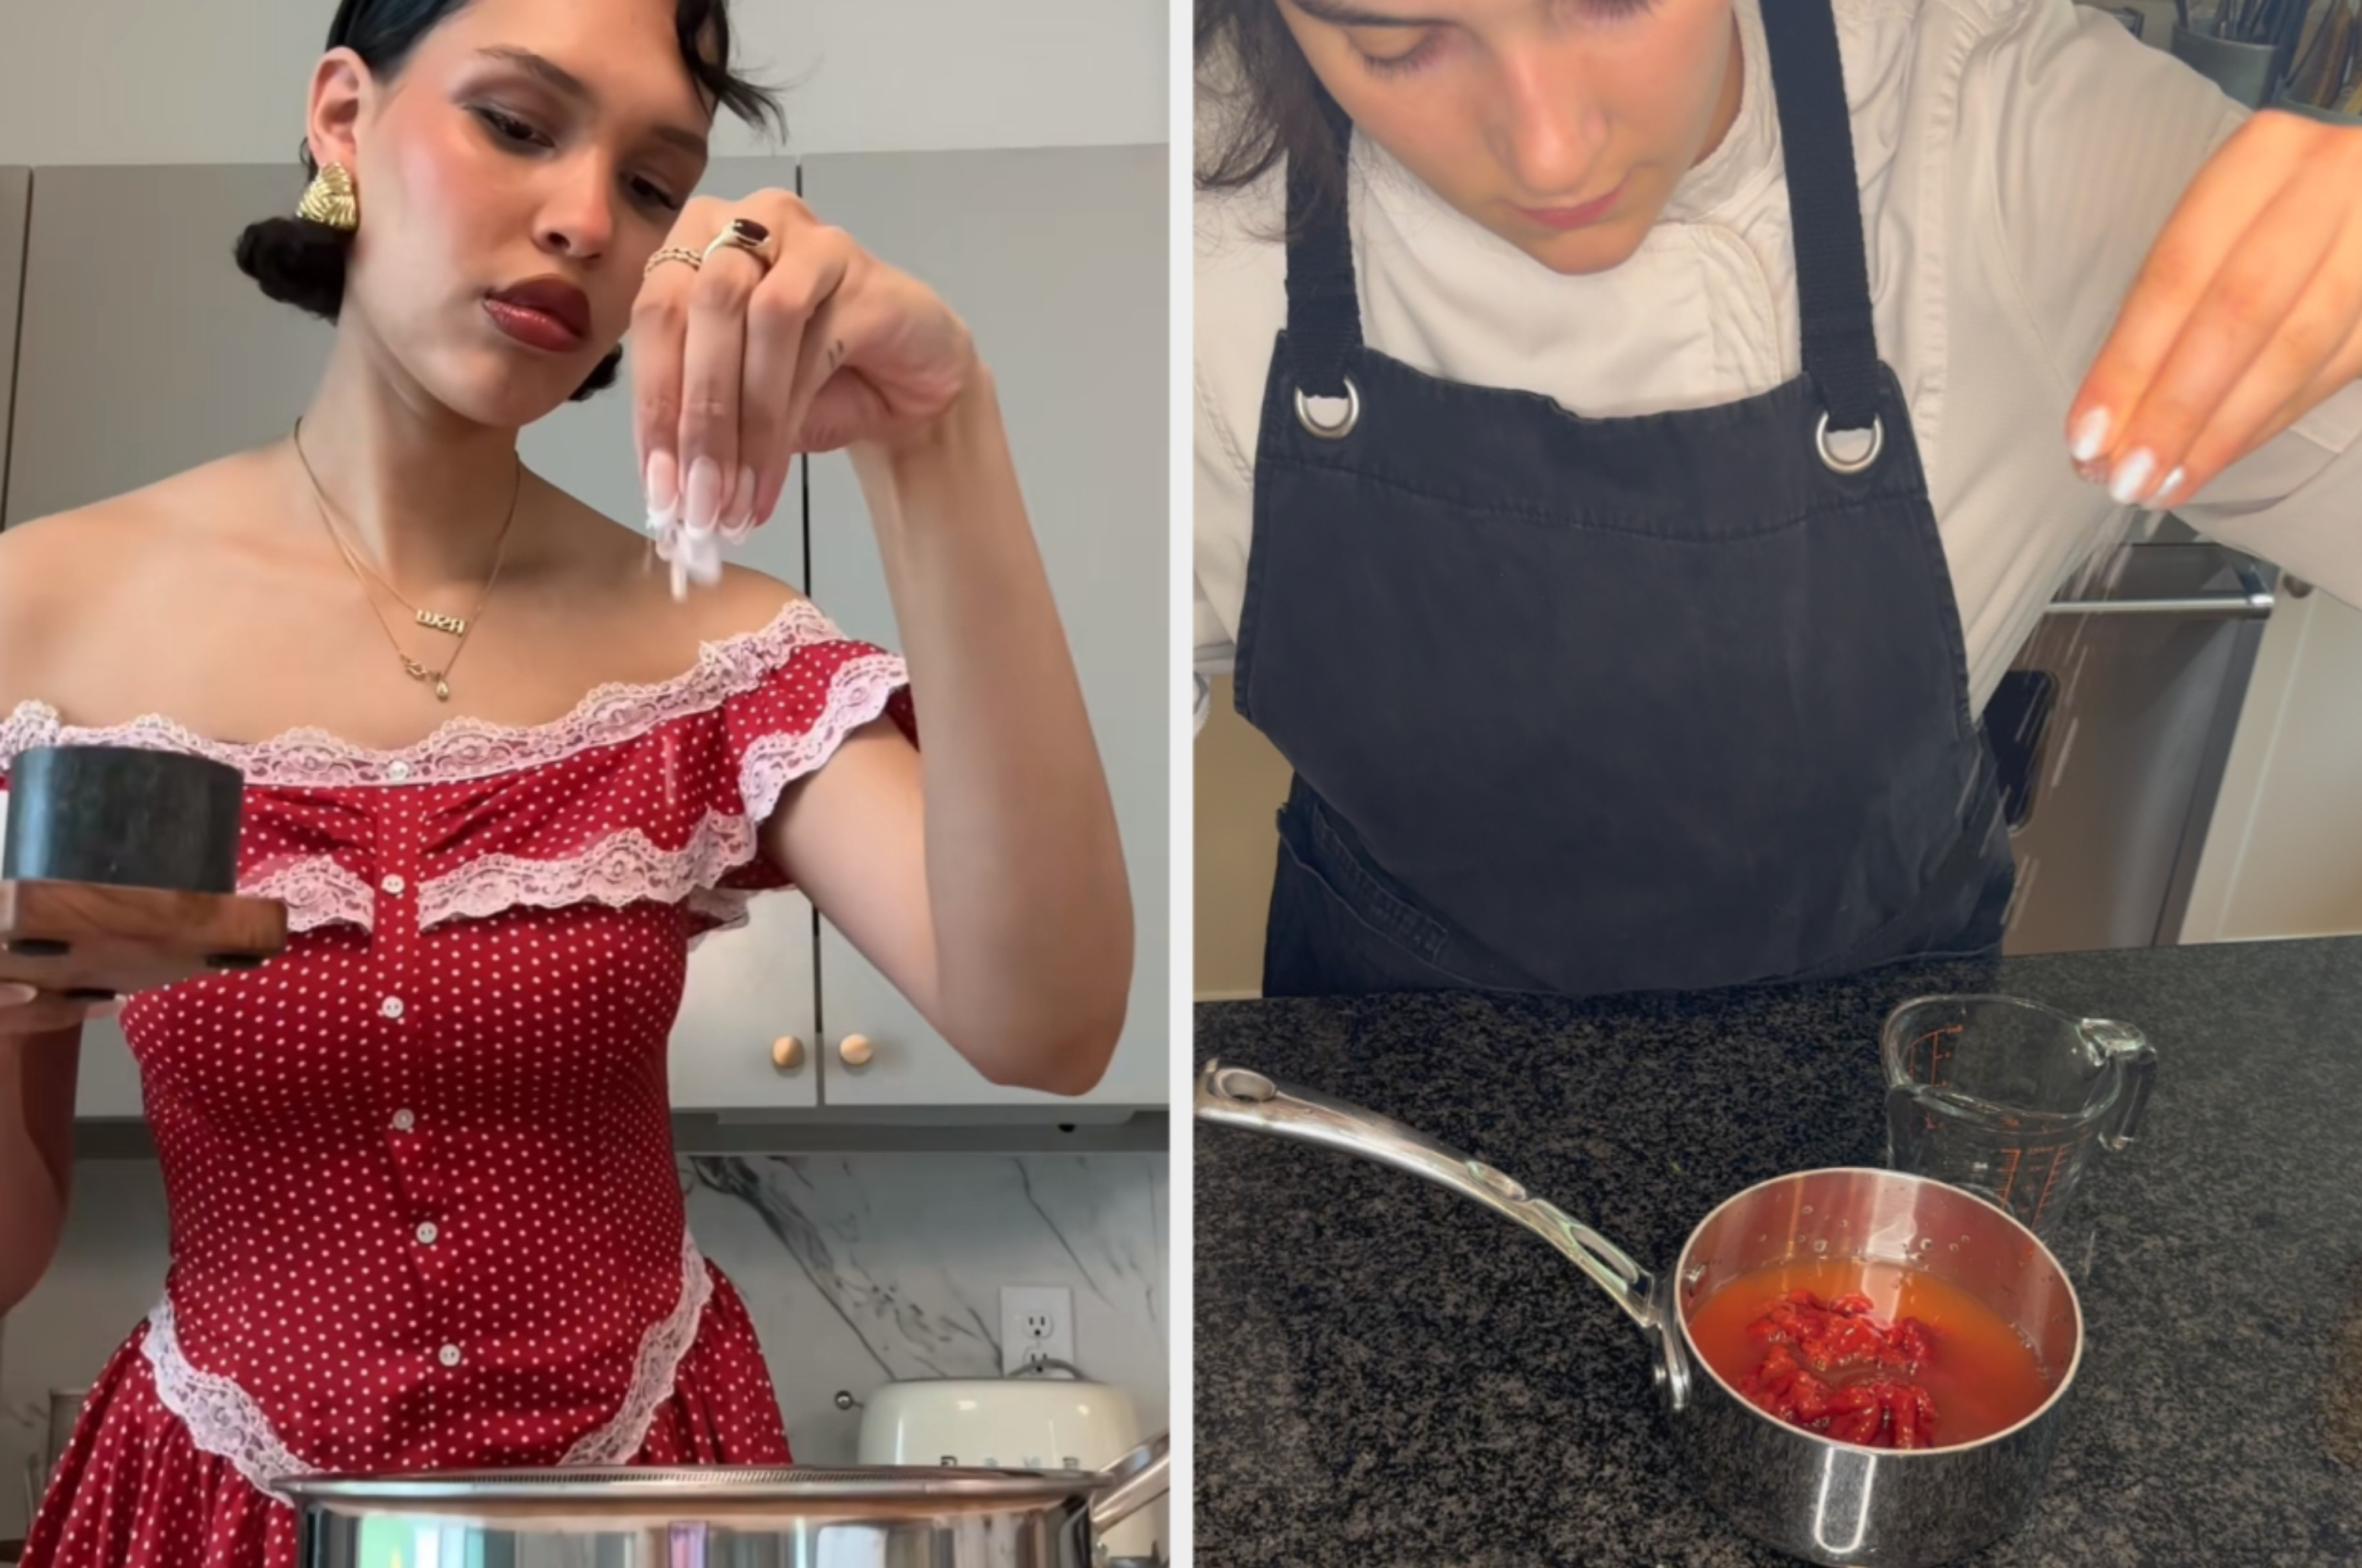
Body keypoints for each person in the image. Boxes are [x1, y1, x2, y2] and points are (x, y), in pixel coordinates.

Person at [0, 0, 1135, 1560]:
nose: (588, 219)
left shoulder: (713, 648)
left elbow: (1048, 1021)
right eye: (518, 125)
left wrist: (938, 435)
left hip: (653, 1509)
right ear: (342, 117)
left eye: (658, 182)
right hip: (215, 1510)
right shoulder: (37, 624)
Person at [1194, 0, 2362, 1000]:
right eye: (1395, 45)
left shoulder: (2007, 135)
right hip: (1383, 1096)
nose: (1551, 150)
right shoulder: (1200, 241)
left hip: (1864, 1112)